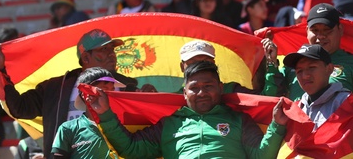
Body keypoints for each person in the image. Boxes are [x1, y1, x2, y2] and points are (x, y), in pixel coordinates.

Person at [80, 61, 288, 158]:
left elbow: (261, 156)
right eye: (194, 88)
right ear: (184, 93)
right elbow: (131, 150)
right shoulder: (169, 124)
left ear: (220, 88)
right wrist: (106, 114)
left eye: (208, 87)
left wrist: (277, 127)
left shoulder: (239, 120)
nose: (202, 93)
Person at [0, 28, 139, 159]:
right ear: (86, 58)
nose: (112, 55)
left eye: (112, 50)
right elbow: (20, 108)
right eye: (104, 50)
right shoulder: (55, 88)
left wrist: (149, 97)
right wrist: (2, 71)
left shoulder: (129, 87)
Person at [262, 3, 353, 148]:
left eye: (327, 30)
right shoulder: (292, 64)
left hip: (335, 147)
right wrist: (271, 63)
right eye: (315, 30)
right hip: (295, 145)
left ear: (340, 30)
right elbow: (270, 100)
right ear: (306, 31)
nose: (320, 36)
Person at [282, 44, 353, 157]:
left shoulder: (345, 102)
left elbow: (345, 149)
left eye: (312, 67)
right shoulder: (297, 107)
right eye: (299, 71)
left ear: (329, 69)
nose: (305, 75)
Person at [51, 67, 126, 158]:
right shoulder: (68, 129)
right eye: (104, 90)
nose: (110, 94)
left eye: (112, 89)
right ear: (85, 93)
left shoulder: (123, 125)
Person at [176, 40, 284, 96]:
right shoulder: (174, 99)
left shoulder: (231, 91)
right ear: (182, 67)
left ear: (213, 64)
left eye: (205, 62)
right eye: (193, 63)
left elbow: (267, 101)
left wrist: (271, 62)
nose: (199, 68)